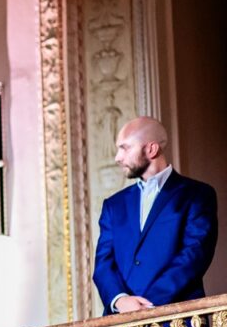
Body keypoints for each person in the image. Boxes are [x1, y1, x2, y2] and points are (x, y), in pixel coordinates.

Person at [93, 116, 218, 316]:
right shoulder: (113, 206)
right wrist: (120, 300)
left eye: (124, 148)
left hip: (178, 321)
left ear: (151, 149)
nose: (117, 157)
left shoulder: (197, 195)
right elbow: (103, 264)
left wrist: (149, 304)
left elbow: (194, 255)